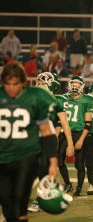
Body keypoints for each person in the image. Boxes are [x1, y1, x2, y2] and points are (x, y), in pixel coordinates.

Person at [0, 62, 58, 222]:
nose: (11, 88)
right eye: (8, 84)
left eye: (15, 83)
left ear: (23, 82)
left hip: (27, 157)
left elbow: (47, 132)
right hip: (2, 159)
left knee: (18, 203)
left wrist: (53, 163)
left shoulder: (36, 97)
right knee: (7, 204)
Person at [28, 72, 75, 213]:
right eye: (39, 83)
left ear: (52, 86)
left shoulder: (58, 101)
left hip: (48, 139)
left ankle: (41, 198)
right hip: (33, 139)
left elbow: (65, 125)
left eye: (44, 83)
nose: (40, 85)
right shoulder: (31, 98)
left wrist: (70, 144)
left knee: (44, 168)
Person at [59, 76, 93, 196]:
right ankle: (68, 183)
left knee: (79, 163)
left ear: (82, 86)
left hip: (79, 133)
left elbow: (88, 124)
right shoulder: (63, 98)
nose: (75, 86)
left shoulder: (87, 100)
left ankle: (79, 187)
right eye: (73, 84)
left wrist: (81, 139)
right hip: (65, 133)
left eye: (78, 84)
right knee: (60, 160)